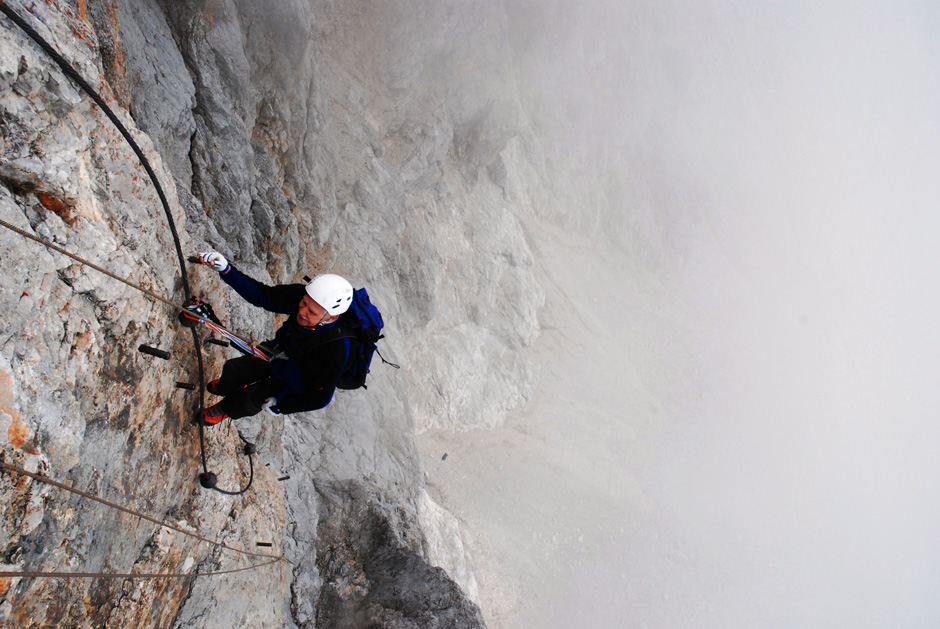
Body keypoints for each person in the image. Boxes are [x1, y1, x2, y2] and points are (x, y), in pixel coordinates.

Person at [194, 251, 353, 425]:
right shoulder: (303, 296)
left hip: (296, 377)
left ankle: (223, 410)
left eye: (312, 312)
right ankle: (226, 386)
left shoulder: (334, 351)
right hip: (280, 350)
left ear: (330, 317)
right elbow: (262, 295)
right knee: (235, 368)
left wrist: (282, 406)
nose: (302, 311)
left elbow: (320, 399)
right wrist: (226, 270)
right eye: (304, 304)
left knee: (252, 397)